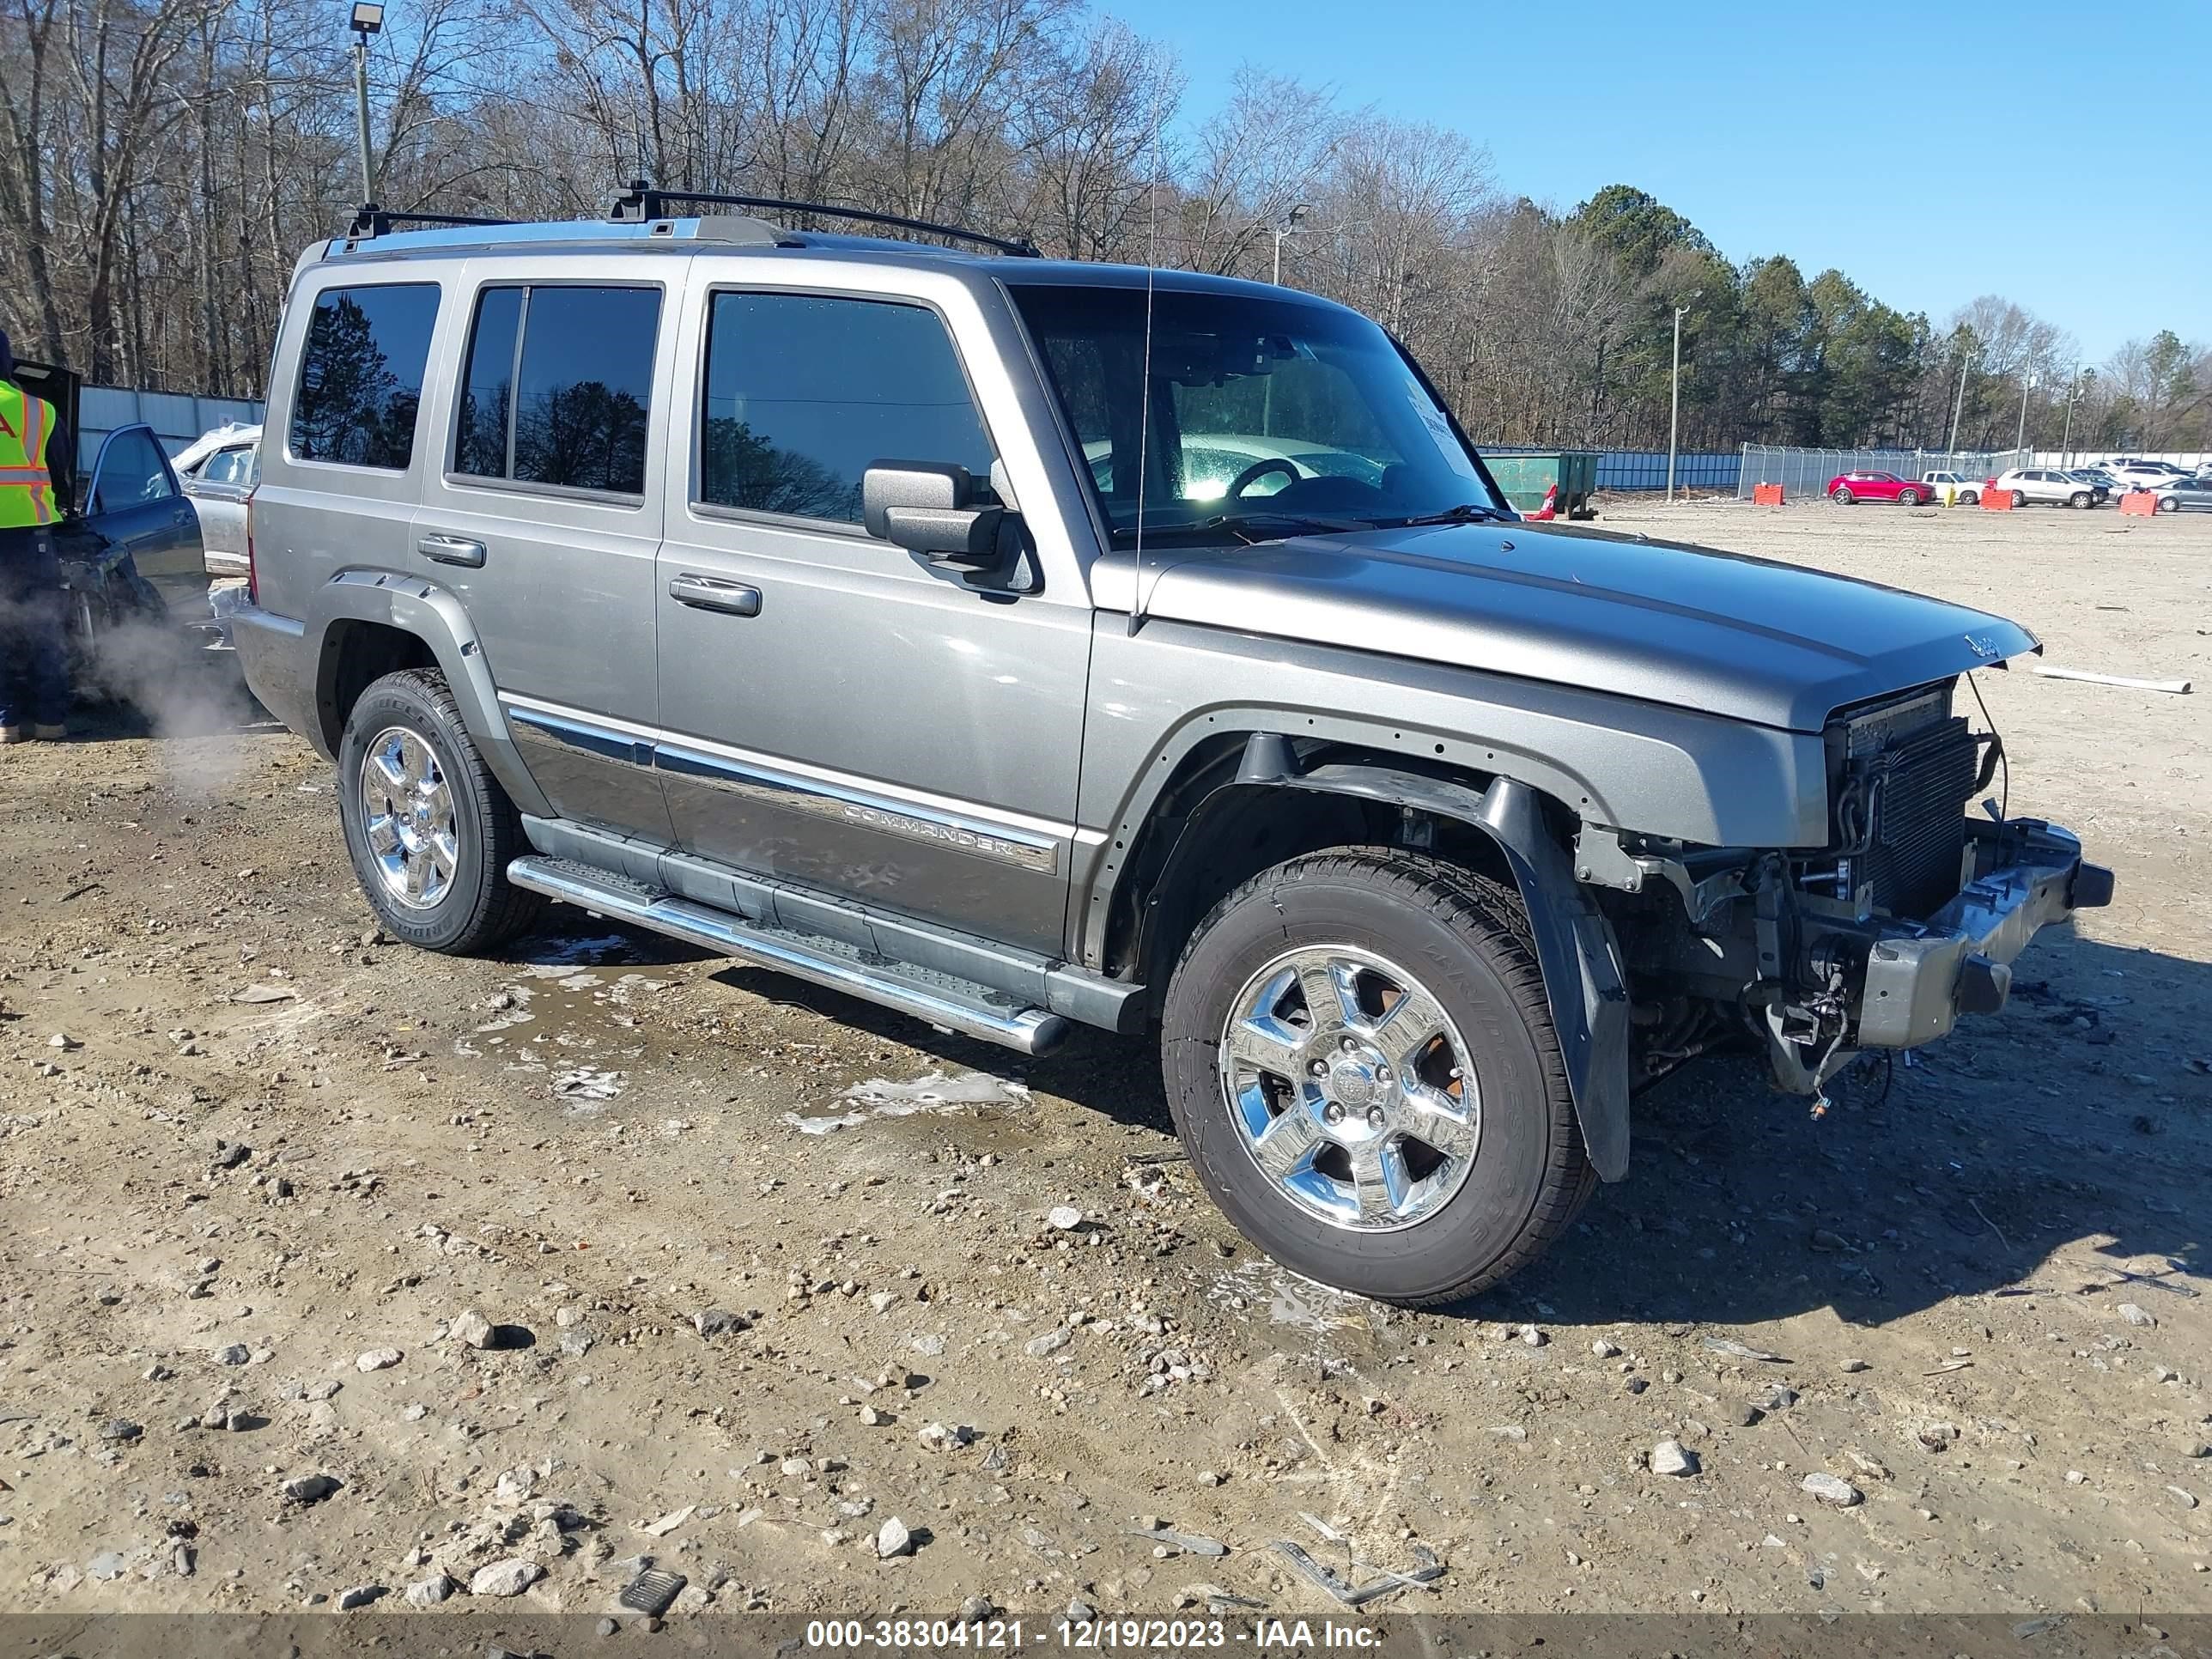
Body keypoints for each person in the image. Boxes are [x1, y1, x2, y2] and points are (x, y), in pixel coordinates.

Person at [0, 324, 70, 744]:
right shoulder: (38, 410)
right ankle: (51, 722)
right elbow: (60, 474)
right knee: (44, 628)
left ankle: (6, 723)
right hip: (33, 538)